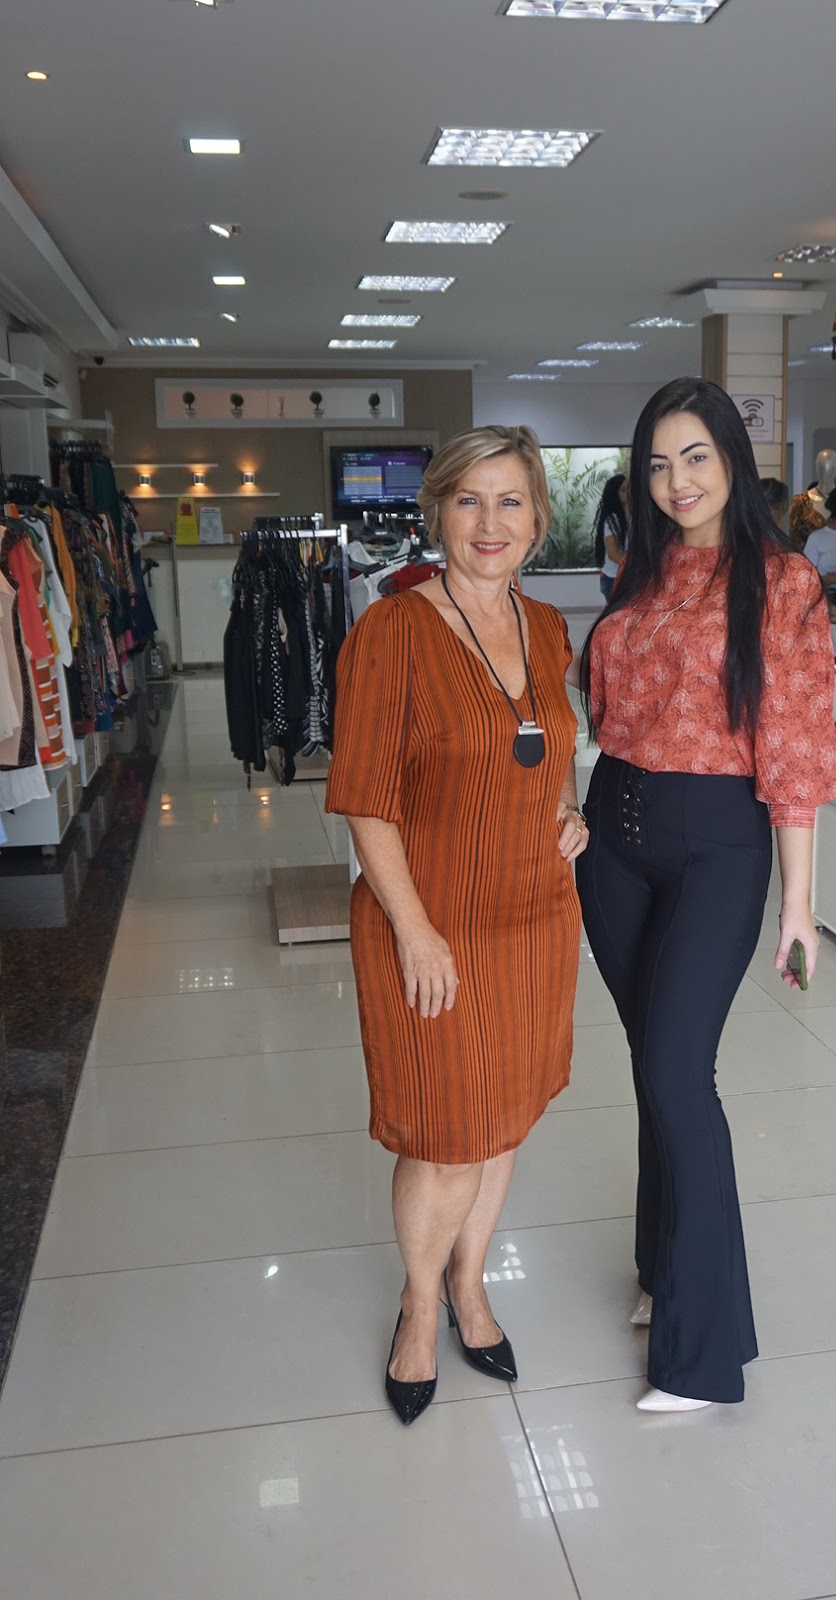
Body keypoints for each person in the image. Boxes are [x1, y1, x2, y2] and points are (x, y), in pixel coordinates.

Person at [576, 378, 836, 1413]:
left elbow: (794, 746)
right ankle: (661, 1270)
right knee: (651, 1063)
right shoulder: (638, 571)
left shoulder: (781, 582)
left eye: (694, 456)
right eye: (656, 463)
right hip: (613, 836)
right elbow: (602, 711)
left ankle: (703, 1353)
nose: (675, 481)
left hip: (716, 844)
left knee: (680, 1073)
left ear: (732, 457)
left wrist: (797, 902)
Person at [325, 425, 588, 1427]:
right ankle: (418, 1304)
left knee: (503, 1116)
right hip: (430, 920)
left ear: (538, 518)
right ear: (435, 511)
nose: (490, 522)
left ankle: (470, 1285)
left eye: (510, 500)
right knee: (444, 1135)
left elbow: (547, 746)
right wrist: (415, 930)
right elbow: (365, 799)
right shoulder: (390, 633)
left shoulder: (546, 626)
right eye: (468, 499)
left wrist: (566, 810)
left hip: (533, 913)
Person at [594, 471, 629, 602]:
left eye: (629, 489)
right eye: (623, 490)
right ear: (615, 494)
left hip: (621, 577)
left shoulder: (626, 516)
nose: (628, 493)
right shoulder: (612, 520)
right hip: (614, 578)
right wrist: (635, 565)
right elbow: (612, 554)